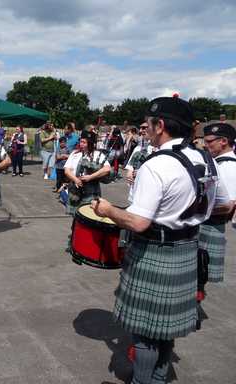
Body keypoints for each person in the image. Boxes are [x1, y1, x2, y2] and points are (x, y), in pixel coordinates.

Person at [91, 96, 231, 384]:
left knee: (144, 334)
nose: (147, 130)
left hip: (154, 251)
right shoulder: (204, 158)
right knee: (165, 331)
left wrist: (108, 210)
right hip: (188, 248)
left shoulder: (156, 165)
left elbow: (139, 222)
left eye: (149, 124)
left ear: (161, 125)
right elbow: (217, 204)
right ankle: (157, 379)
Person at [199, 123, 236, 288]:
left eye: (209, 141)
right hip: (208, 224)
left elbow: (229, 205)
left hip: (210, 226)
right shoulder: (219, 163)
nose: (205, 145)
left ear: (223, 141)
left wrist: (193, 209)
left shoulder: (228, 166)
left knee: (198, 278)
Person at [63, 130, 110, 215]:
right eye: (81, 141)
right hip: (75, 193)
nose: (81, 144)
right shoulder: (74, 154)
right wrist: (75, 180)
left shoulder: (97, 154)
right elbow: (67, 170)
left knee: (88, 215)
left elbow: (107, 169)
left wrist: (90, 177)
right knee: (75, 216)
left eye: (84, 142)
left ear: (90, 144)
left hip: (91, 194)